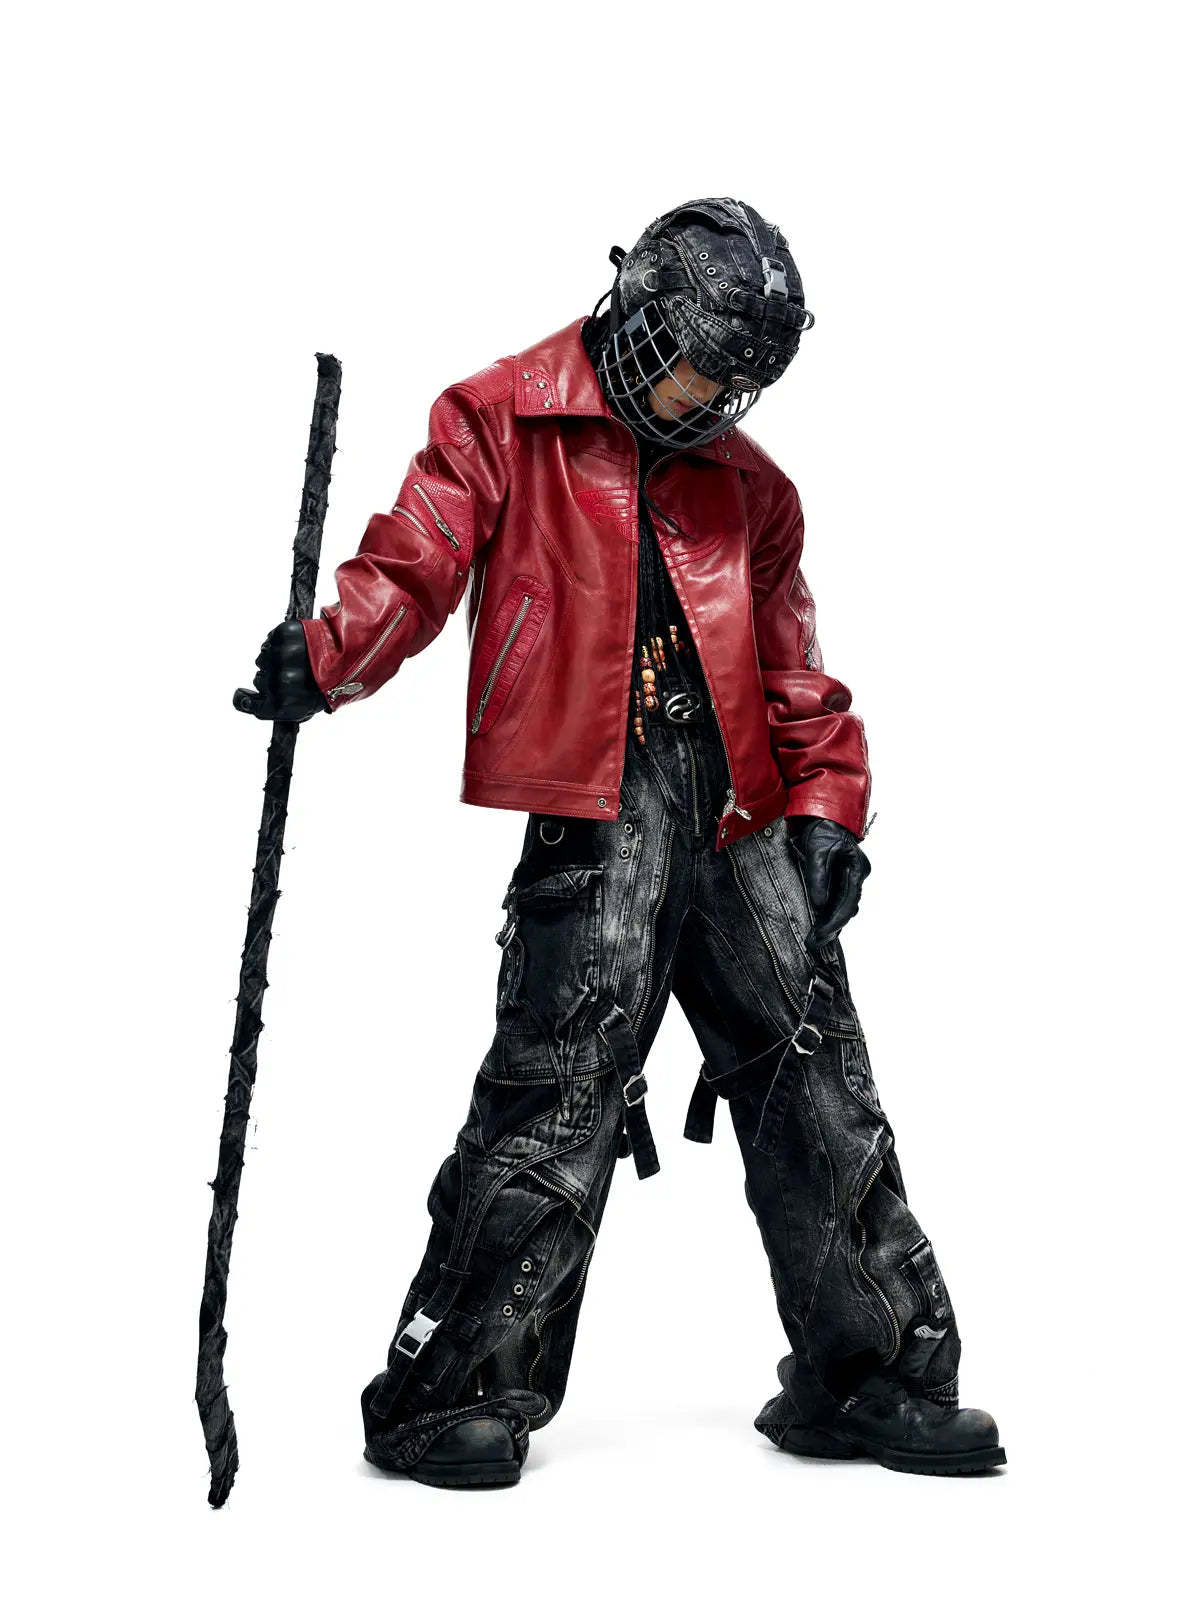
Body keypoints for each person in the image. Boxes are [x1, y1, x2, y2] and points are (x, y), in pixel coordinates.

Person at [237, 197, 1004, 1484]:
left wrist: (830, 811)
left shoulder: (754, 490)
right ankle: (450, 1387)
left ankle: (874, 1371)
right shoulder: (501, 417)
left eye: (737, 383)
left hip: (743, 810)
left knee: (817, 1074)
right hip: (597, 807)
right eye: (699, 363)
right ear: (641, 307)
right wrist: (330, 654)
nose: (711, 399)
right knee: (559, 1084)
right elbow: (415, 562)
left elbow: (795, 668)